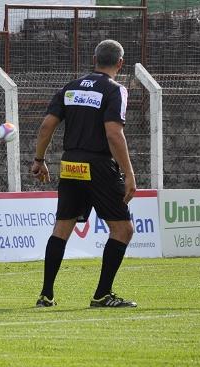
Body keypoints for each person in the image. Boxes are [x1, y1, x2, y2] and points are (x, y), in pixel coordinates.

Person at [29, 39, 138, 308]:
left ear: (94, 59)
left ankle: (46, 295)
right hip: (98, 164)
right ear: (120, 63)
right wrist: (129, 173)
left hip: (70, 164)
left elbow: (46, 127)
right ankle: (102, 295)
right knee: (123, 229)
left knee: (62, 227)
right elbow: (114, 132)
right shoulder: (115, 90)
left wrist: (39, 160)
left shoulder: (70, 88)